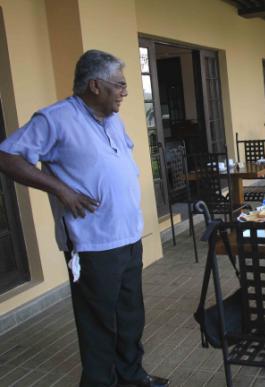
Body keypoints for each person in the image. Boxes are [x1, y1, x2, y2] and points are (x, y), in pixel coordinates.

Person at [0, 50, 169, 387]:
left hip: (128, 237)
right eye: (119, 84)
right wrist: (60, 189)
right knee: (98, 323)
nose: (124, 91)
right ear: (95, 85)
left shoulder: (112, 119)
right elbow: (7, 155)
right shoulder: (55, 119)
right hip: (92, 243)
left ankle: (131, 376)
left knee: (130, 316)